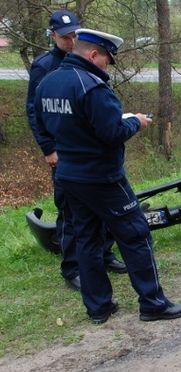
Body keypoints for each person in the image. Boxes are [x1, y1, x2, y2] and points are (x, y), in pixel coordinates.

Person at [34, 28, 181, 324]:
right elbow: (111, 133)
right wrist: (136, 123)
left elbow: (47, 124)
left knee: (87, 241)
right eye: (107, 59)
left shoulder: (48, 82)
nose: (108, 65)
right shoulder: (93, 87)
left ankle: (98, 308)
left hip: (69, 176)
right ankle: (153, 304)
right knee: (136, 235)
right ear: (93, 55)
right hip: (102, 178)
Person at [26, 10, 127, 292]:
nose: (71, 40)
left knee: (104, 205)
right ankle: (72, 267)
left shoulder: (87, 60)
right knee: (71, 212)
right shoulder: (45, 66)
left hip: (94, 153)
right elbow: (35, 111)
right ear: (53, 35)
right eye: (65, 35)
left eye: (74, 34)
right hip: (65, 153)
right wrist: (48, 148)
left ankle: (104, 254)